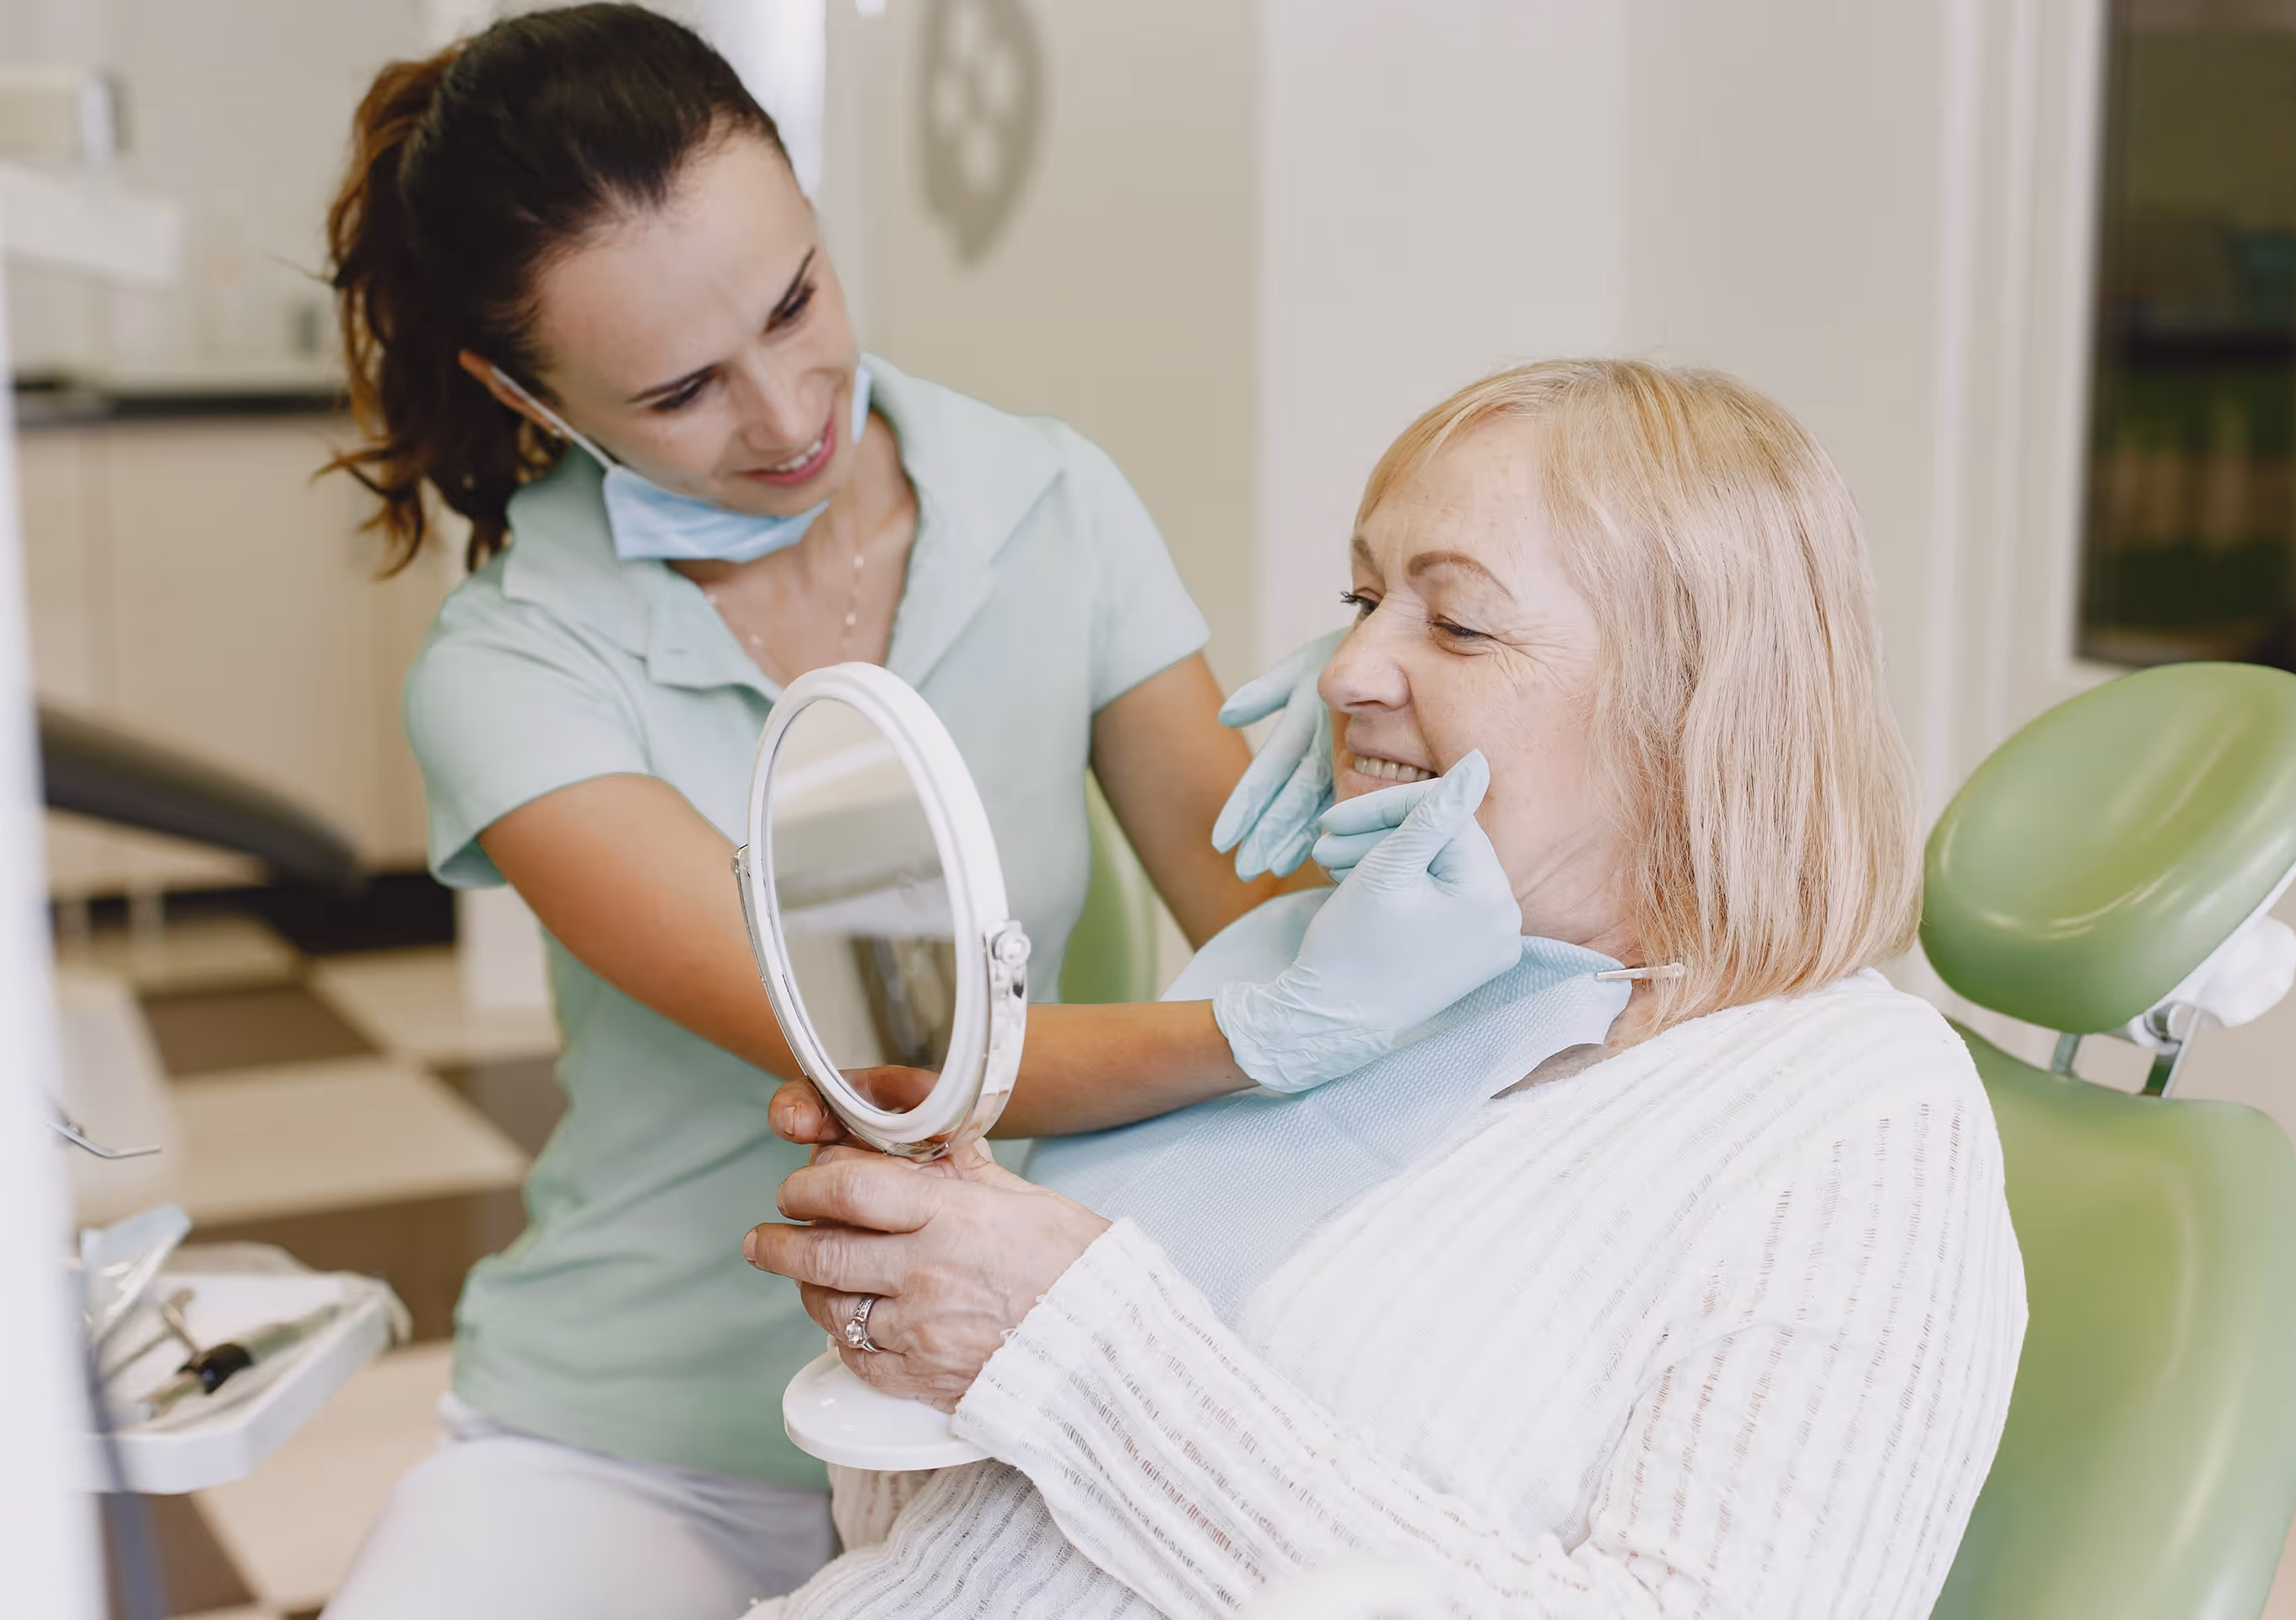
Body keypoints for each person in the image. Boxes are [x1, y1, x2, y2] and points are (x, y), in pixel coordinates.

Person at [317, 8, 1518, 1616]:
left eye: (797, 299)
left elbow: (1256, 894)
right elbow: (878, 1052)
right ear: (518, 391)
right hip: (657, 1438)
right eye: (680, 390)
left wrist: (1391, 751)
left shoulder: (1048, 501)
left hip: (1011, 1396)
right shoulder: (518, 663)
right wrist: (1274, 1030)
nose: (786, 411)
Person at [743, 359, 2030, 1617]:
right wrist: (924, 1302)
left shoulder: (1856, 1122)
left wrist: (1064, 1339)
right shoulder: (1354, 979)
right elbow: (934, 1547)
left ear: (1696, 705)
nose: (1342, 672)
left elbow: (1089, 1383)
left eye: (1458, 620)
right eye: (1360, 599)